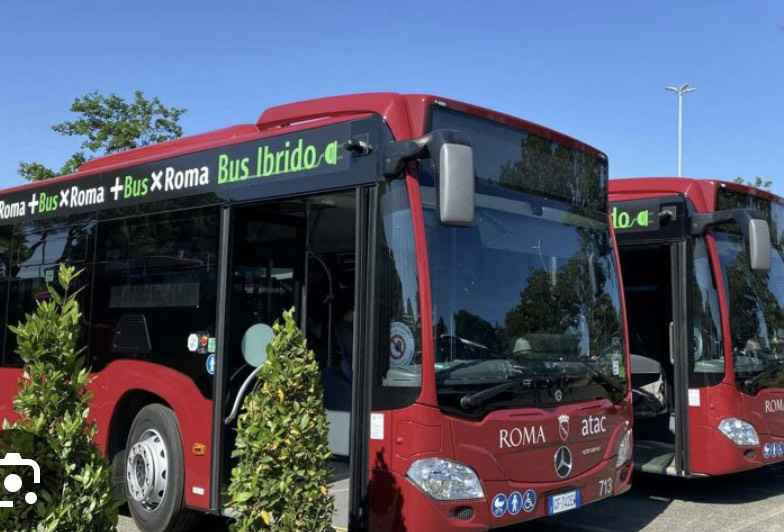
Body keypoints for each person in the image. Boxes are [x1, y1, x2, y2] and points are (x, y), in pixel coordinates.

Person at [336, 306, 354, 380]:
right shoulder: (343, 327)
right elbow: (349, 348)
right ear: (349, 312)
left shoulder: (352, 326)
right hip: (350, 357)